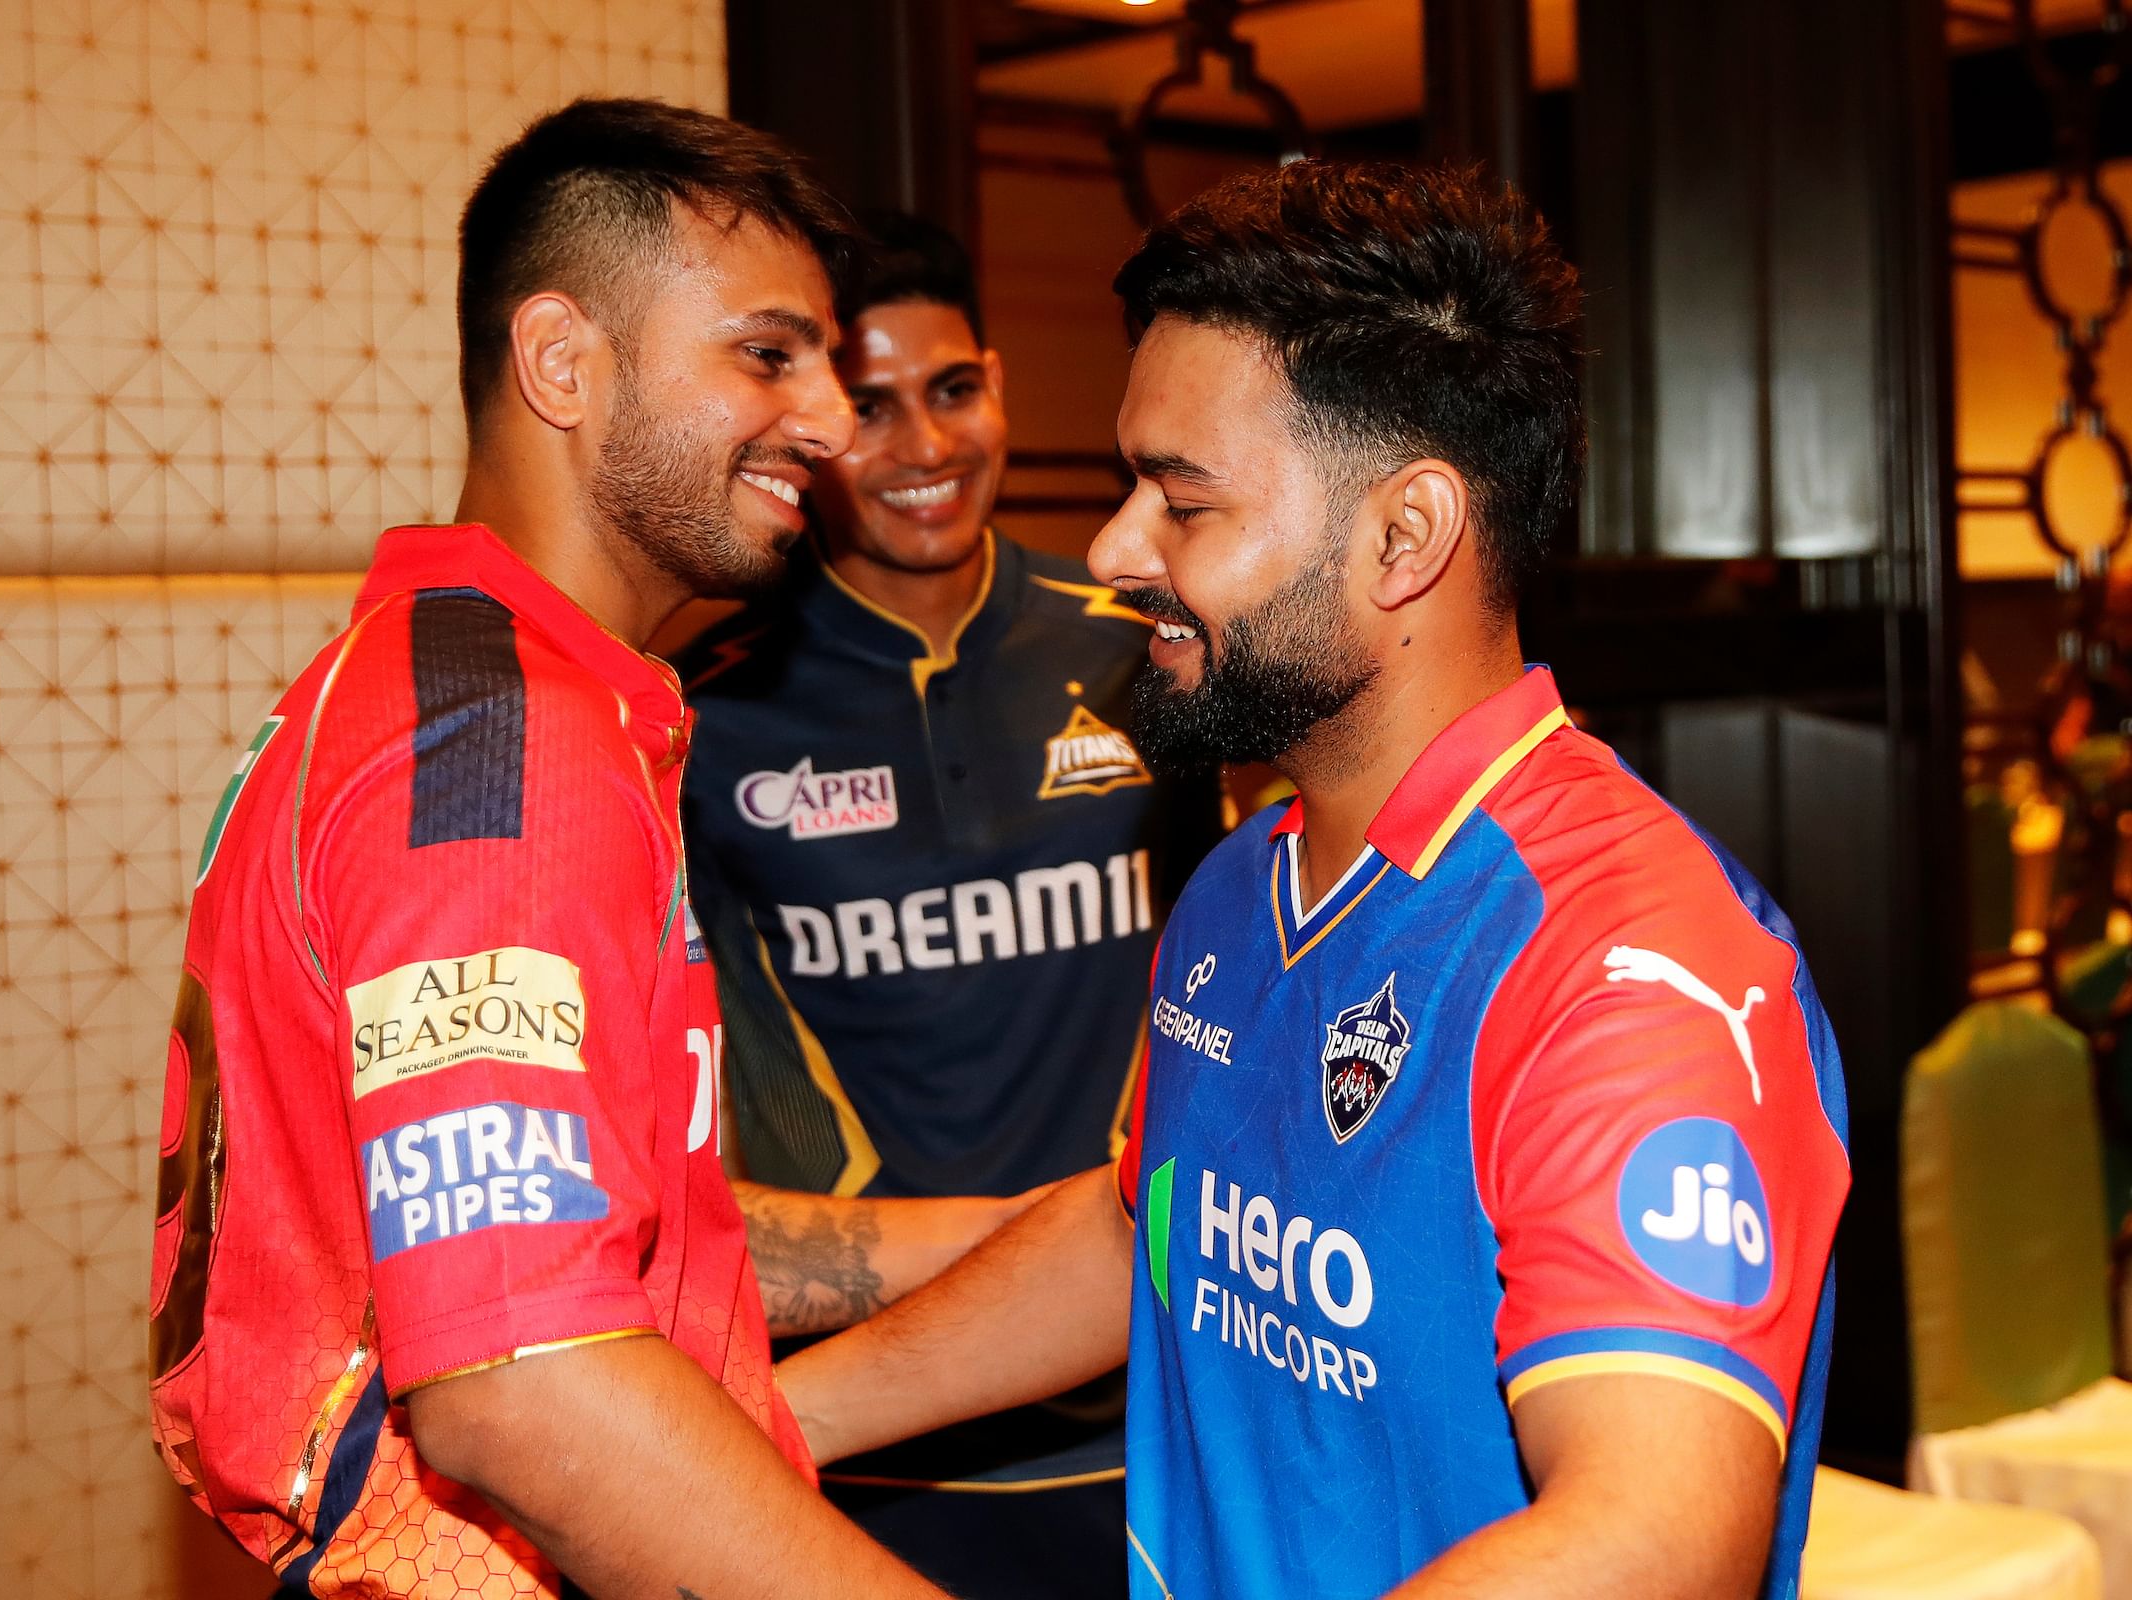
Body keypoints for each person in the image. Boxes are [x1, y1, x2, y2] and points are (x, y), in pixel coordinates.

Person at [778, 162, 1852, 1600]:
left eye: (1183, 501)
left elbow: (1658, 1537)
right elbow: (1152, 1228)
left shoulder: (1632, 968)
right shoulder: (1242, 885)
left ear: (1405, 534)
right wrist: (777, 1423)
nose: (1112, 550)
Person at [147, 98, 1009, 1600]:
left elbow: (597, 1235)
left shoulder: (442, 683)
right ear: (560, 361)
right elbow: (522, 1384)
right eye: (769, 355)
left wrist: (1029, 1239)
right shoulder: (500, 744)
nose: (829, 420)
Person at [675, 213, 1220, 1597]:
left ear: (1000, 384)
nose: (924, 445)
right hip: (858, 1431)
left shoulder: (1151, 647)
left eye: (954, 389)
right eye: (869, 408)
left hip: (1153, 1401)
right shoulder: (704, 712)